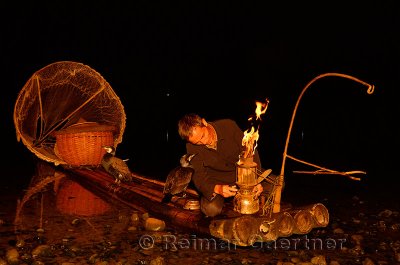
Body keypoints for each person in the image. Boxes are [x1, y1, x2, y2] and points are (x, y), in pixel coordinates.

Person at [177, 113, 273, 217]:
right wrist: (216, 189)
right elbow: (198, 175)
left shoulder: (228, 126)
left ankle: (257, 200)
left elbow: (250, 151)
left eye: (203, 136)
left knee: (275, 184)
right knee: (211, 209)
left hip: (243, 176)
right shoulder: (191, 147)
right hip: (219, 182)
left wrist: (255, 180)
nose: (203, 142)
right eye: (197, 142)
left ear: (204, 123)